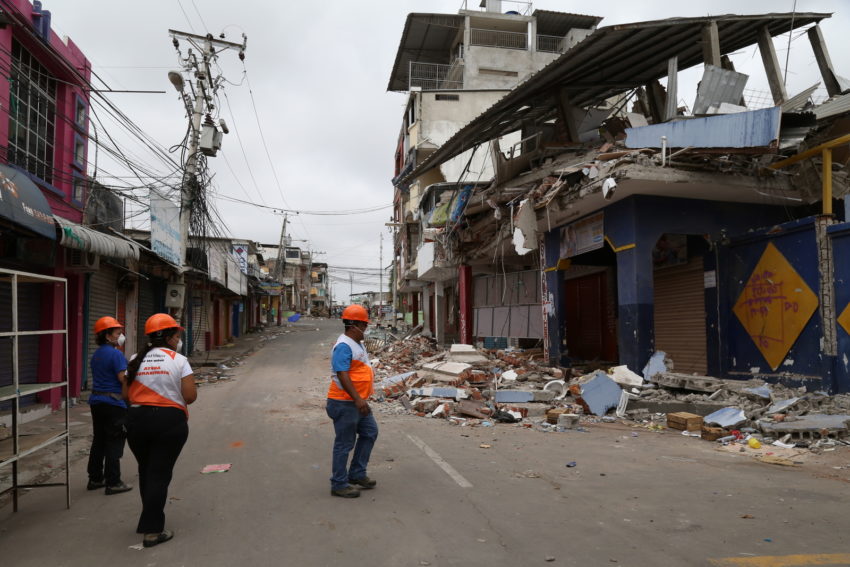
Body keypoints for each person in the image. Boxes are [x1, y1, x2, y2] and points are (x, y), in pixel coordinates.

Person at [125, 313, 197, 548]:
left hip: (136, 421)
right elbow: (190, 396)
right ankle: (153, 531)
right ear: (168, 337)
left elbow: (125, 395)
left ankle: (149, 519)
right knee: (159, 474)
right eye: (176, 335)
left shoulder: (135, 359)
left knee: (147, 471)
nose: (178, 340)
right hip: (169, 422)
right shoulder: (179, 360)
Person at [325, 304, 378, 498]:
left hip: (357, 401)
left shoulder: (357, 343)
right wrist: (357, 399)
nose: (366, 328)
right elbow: (342, 373)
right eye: (364, 325)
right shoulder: (344, 346)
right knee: (344, 443)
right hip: (345, 402)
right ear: (354, 325)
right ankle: (338, 483)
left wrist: (361, 398)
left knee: (370, 432)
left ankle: (356, 473)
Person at [87, 316, 132, 495]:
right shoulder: (116, 354)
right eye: (118, 333)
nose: (121, 336)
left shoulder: (96, 354)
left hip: (97, 402)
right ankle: (113, 481)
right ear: (107, 335)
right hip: (113, 403)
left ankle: (95, 478)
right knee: (114, 441)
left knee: (99, 440)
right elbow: (123, 379)